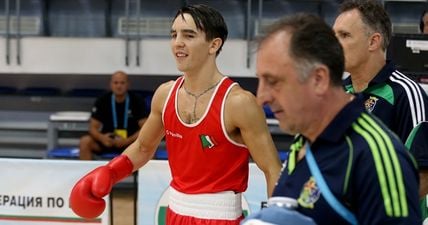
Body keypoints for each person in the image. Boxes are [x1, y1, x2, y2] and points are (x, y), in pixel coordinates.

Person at [70, 4, 282, 225]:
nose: (177, 42)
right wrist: (111, 171)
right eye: (174, 35)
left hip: (220, 218)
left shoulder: (239, 103)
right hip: (174, 213)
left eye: (188, 35)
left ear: (214, 44)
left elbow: (271, 168)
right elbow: (143, 147)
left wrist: (280, 218)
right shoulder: (164, 95)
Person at [251, 13, 421, 225]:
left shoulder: (376, 156)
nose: (261, 98)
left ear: (319, 79)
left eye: (273, 81)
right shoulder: (302, 141)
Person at [332, 0, 428, 143]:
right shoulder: (336, 93)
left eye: (344, 35)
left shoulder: (406, 94)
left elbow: (419, 163)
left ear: (373, 42)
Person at [78, 71, 149, 160]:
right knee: (85, 141)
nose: (119, 86)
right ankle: (88, 173)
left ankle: (148, 173)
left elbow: (146, 128)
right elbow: (92, 127)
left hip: (130, 142)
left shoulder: (137, 100)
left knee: (148, 142)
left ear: (128, 85)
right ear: (111, 85)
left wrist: (128, 140)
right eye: (116, 83)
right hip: (107, 141)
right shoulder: (102, 100)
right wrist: (102, 138)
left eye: (122, 83)